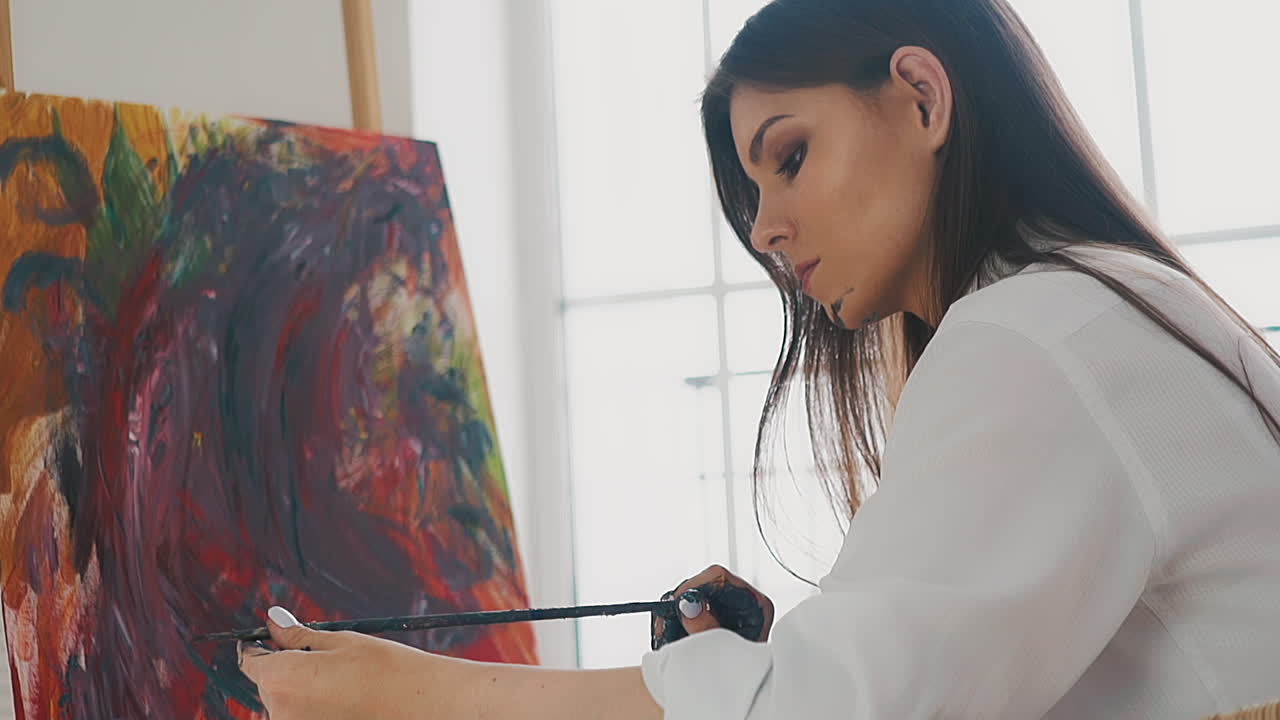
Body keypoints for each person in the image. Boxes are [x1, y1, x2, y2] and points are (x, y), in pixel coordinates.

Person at [238, 0, 1280, 717]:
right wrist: (765, 661)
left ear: (921, 96)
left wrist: (418, 697)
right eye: (749, 197)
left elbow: (832, 712)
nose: (765, 230)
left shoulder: (1036, 332)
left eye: (788, 157)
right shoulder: (1093, 301)